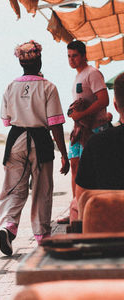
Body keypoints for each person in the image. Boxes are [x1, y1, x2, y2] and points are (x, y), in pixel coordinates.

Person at [0, 40, 70, 256]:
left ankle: (7, 226)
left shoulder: (11, 86)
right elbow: (55, 124)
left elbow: (7, 119)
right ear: (39, 60)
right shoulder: (48, 87)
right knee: (42, 190)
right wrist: (64, 154)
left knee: (13, 187)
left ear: (21, 63)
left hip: (16, 140)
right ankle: (42, 236)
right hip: (41, 141)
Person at [57, 40, 110, 224]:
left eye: (75, 56)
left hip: (95, 129)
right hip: (79, 130)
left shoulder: (92, 73)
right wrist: (74, 113)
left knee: (94, 169)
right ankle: (76, 209)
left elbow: (104, 100)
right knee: (74, 166)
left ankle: (96, 210)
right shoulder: (78, 76)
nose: (71, 60)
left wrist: (82, 113)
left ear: (84, 55)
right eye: (69, 56)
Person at [75, 72, 124, 200]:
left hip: (109, 216)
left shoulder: (96, 143)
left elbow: (81, 197)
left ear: (116, 107)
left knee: (75, 206)